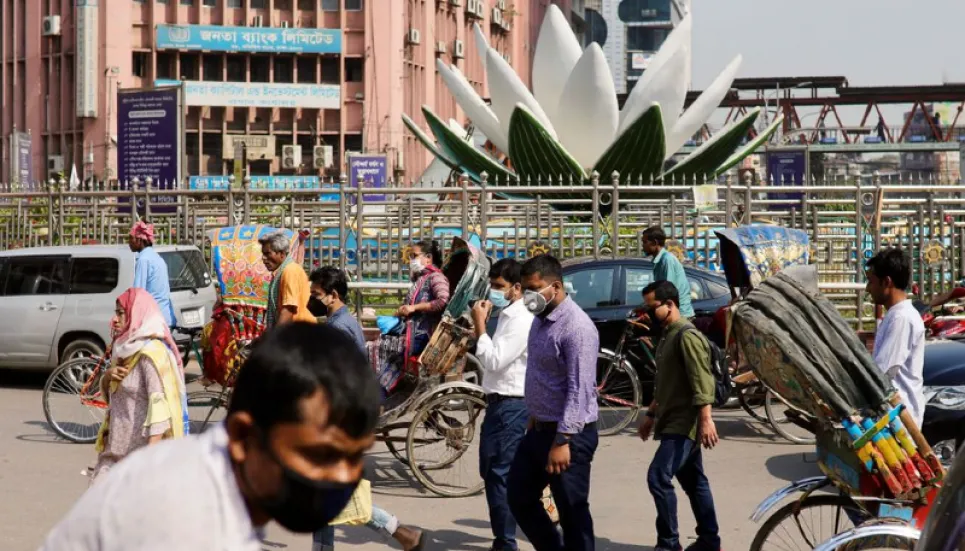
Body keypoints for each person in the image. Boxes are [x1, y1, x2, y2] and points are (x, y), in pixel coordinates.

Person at [40, 323, 380, 551]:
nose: (342, 475)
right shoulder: (191, 523)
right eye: (320, 455)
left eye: (355, 456)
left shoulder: (200, 470)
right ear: (243, 437)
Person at [308, 266, 426, 551]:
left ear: (333, 295)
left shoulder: (338, 328)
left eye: (316, 294)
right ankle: (400, 533)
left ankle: (400, 532)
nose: (311, 300)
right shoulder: (343, 322)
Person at [507, 254, 599, 551]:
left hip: (568, 435)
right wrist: (535, 414)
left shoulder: (577, 328)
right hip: (539, 428)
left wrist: (563, 441)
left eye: (534, 288)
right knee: (519, 495)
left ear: (555, 287)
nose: (528, 296)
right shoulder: (540, 320)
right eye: (525, 288)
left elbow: (579, 389)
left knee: (572, 510)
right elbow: (541, 372)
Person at [637, 280, 721, 551]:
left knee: (658, 478)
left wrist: (706, 420)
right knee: (694, 481)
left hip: (684, 422)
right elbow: (667, 382)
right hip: (671, 417)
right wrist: (651, 414)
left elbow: (702, 381)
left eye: (651, 308)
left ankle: (669, 543)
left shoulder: (686, 335)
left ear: (669, 304)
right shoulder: (668, 335)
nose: (646, 314)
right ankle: (709, 540)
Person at [89, 287, 189, 483]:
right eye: (115, 313)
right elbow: (113, 398)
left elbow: (161, 412)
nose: (114, 319)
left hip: (138, 460)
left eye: (121, 313)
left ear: (136, 313)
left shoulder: (151, 354)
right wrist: (108, 376)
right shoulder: (124, 348)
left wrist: (148, 463)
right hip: (113, 454)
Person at [470, 258, 533, 551]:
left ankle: (506, 542)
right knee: (491, 471)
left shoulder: (520, 320)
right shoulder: (508, 315)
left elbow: (494, 359)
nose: (493, 292)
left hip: (512, 405)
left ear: (517, 289)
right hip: (499, 403)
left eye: (499, 287)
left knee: (499, 475)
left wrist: (480, 325)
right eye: (492, 286)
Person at [378, 240, 450, 394]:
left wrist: (413, 308)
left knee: (376, 349)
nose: (411, 259)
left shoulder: (436, 277)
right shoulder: (421, 278)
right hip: (412, 332)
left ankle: (382, 394)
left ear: (428, 258)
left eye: (414, 255)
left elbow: (442, 301)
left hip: (422, 336)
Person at [865, 248, 926, 427]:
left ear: (886, 282)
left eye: (871, 281)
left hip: (899, 422)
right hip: (892, 418)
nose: (868, 288)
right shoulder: (895, 315)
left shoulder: (902, 318)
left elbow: (884, 371)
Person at [260, 230, 316, 328]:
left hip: (300, 334)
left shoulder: (290, 271)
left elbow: (289, 309)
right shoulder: (282, 271)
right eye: (263, 254)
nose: (264, 258)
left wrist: (273, 340)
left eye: (268, 253)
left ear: (281, 254)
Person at [129, 220, 176, 327]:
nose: (129, 242)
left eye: (130, 238)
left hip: (153, 320)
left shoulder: (143, 260)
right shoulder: (156, 257)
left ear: (139, 239)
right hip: (165, 316)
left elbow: (138, 293)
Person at [642, 226, 695, 319]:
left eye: (645, 242)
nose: (643, 246)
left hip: (679, 316)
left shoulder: (666, 260)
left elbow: (667, 293)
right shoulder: (659, 260)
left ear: (655, 243)